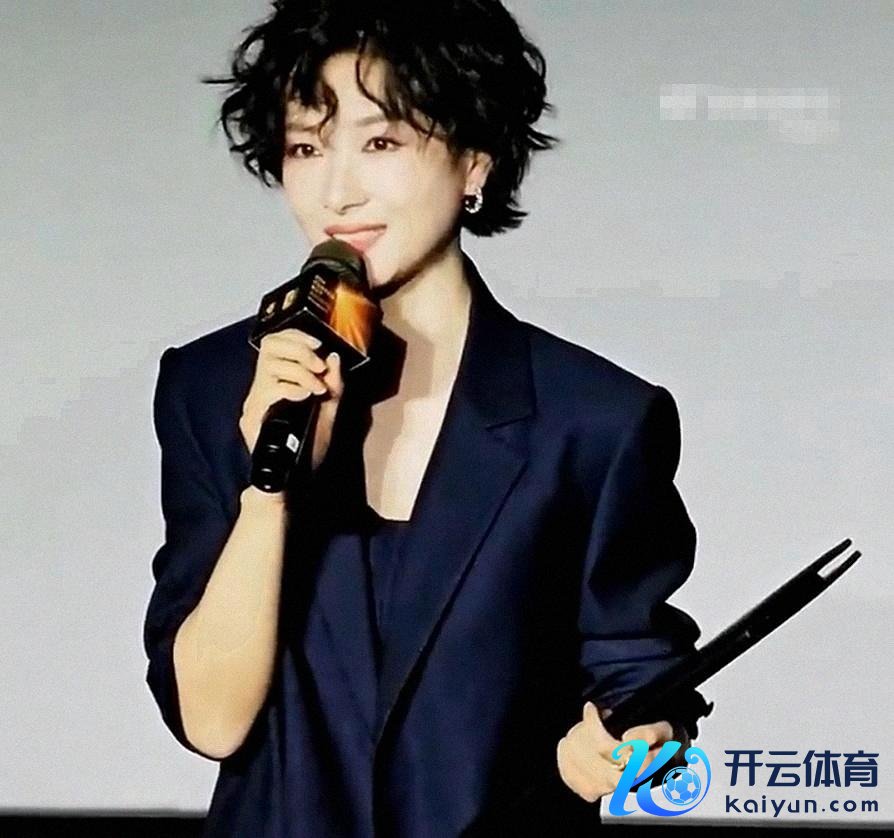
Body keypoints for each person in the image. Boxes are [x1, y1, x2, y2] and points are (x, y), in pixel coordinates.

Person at [143, 1, 713, 835]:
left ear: (475, 160)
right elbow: (212, 721)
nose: (338, 191)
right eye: (306, 148)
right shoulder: (212, 385)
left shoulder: (594, 420)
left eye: (381, 143)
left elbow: (638, 677)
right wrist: (270, 491)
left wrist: (632, 740)